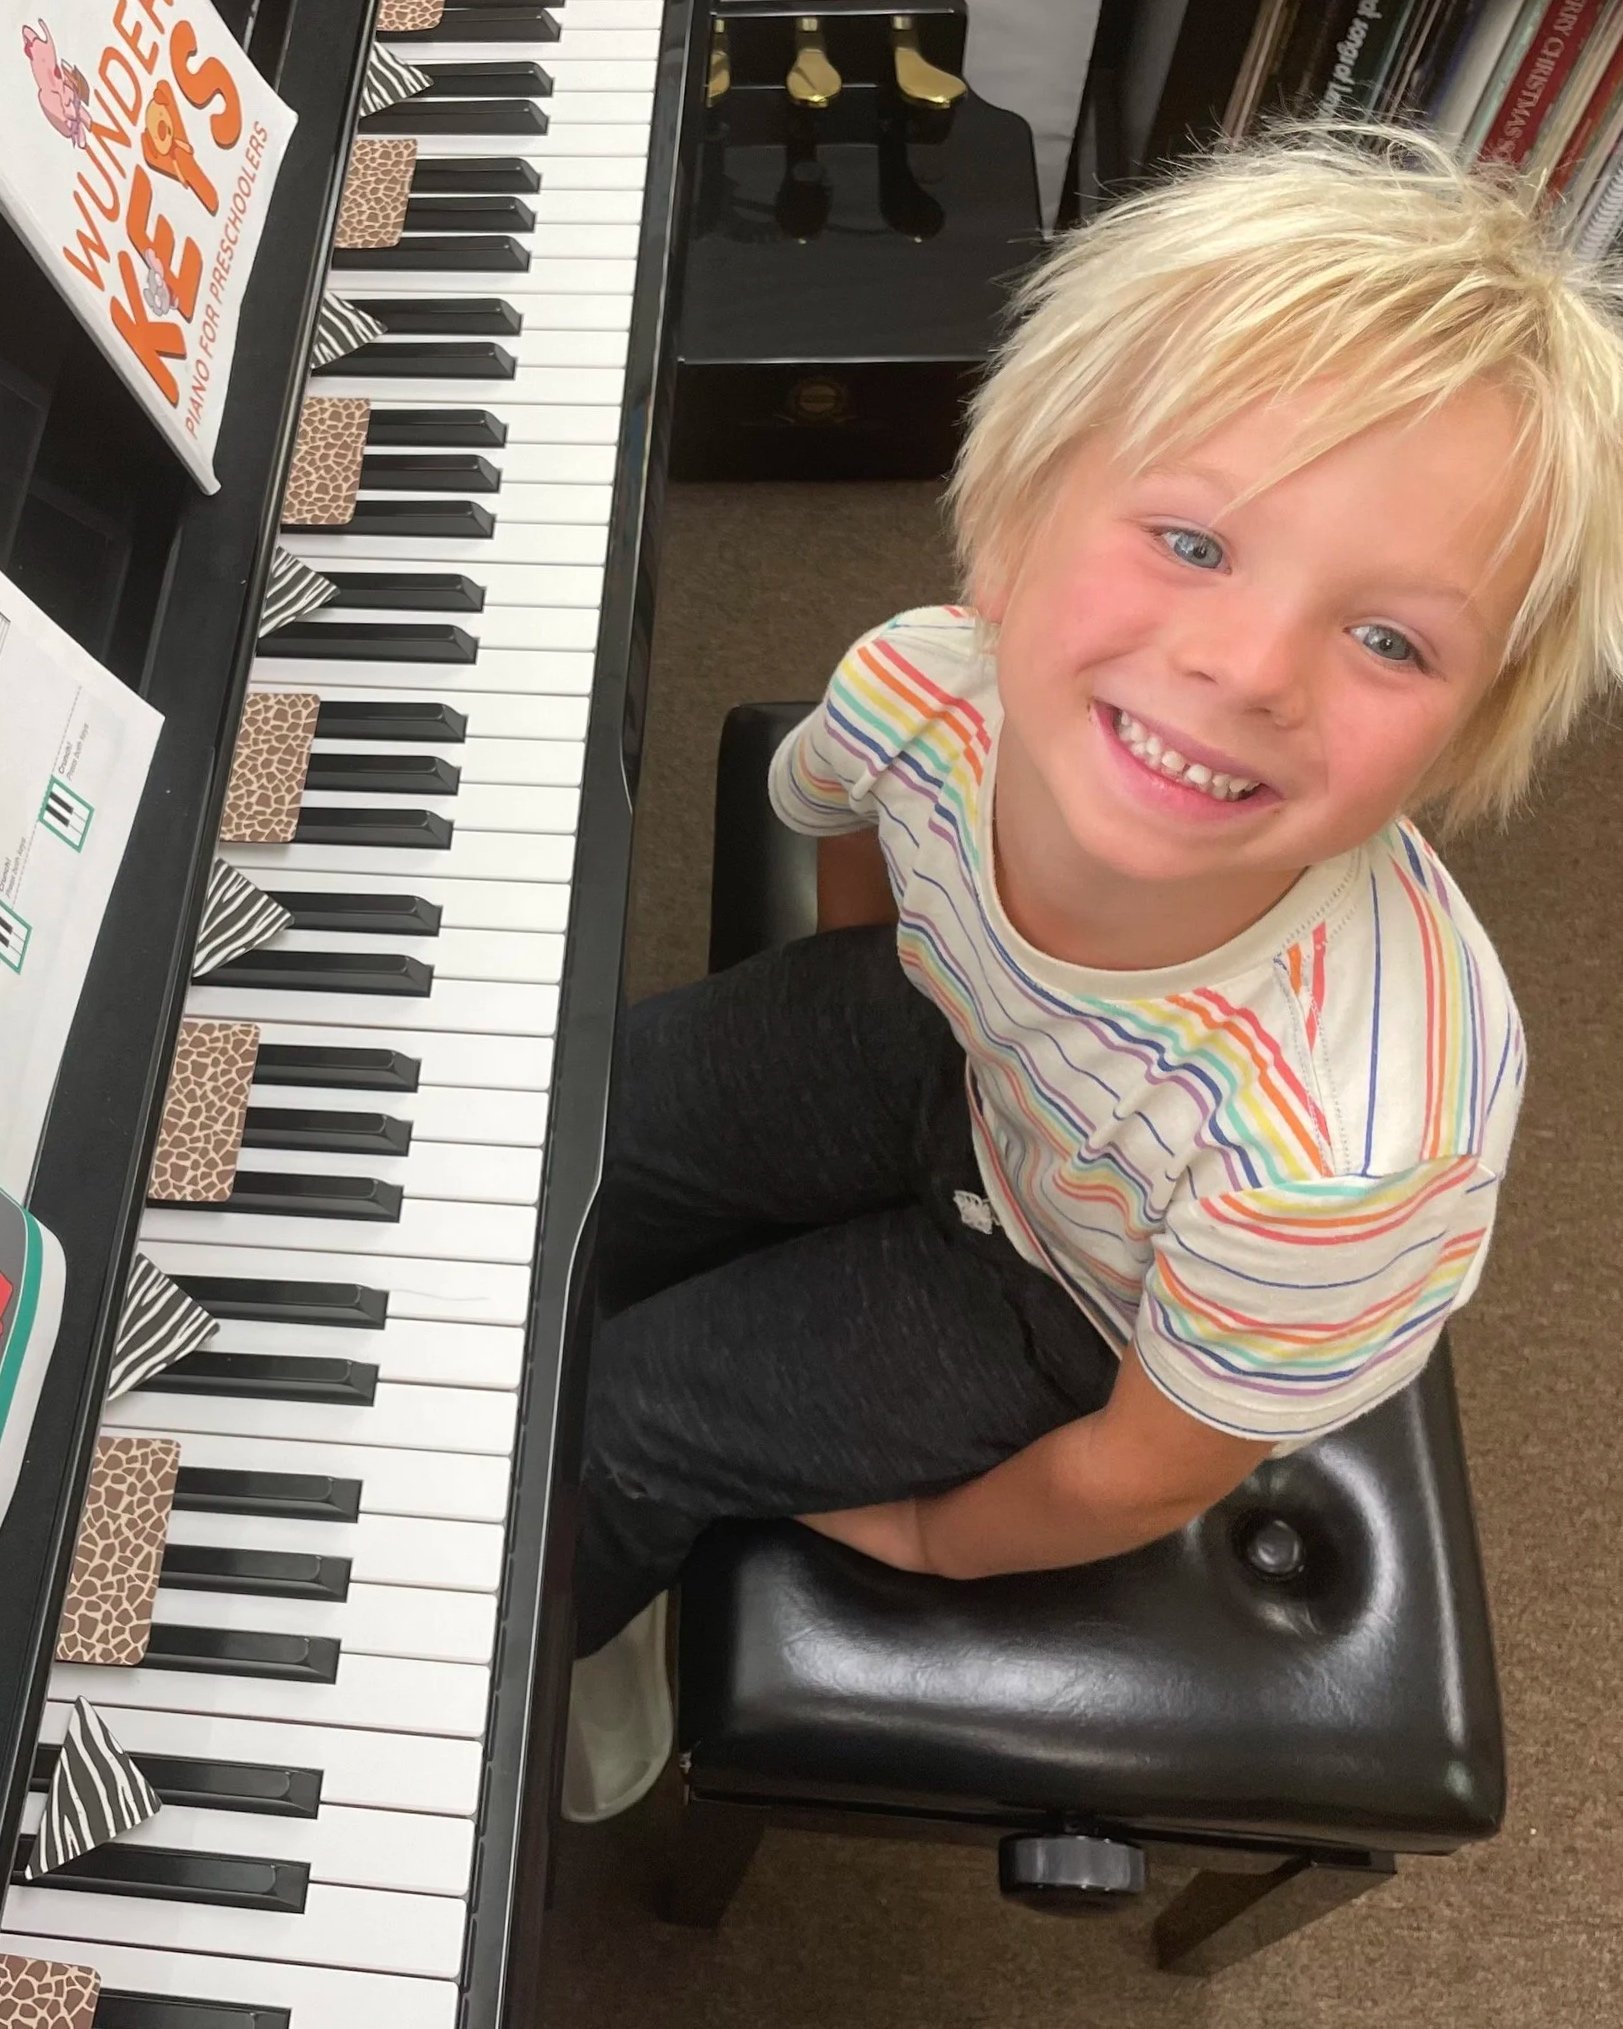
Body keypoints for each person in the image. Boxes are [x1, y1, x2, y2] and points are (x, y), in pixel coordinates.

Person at [569, 120, 1623, 1676]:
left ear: (1461, 736)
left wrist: (936, 1537)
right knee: (567, 1133)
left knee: (624, 1419)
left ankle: (551, 1644)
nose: (1247, 669)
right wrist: (867, 1042)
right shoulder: (922, 691)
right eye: (1193, 540)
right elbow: (870, 879)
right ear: (1011, 527)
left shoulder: (1346, 1161)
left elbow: (1143, 1468)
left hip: (1068, 1294)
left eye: (1390, 640)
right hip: (946, 1041)